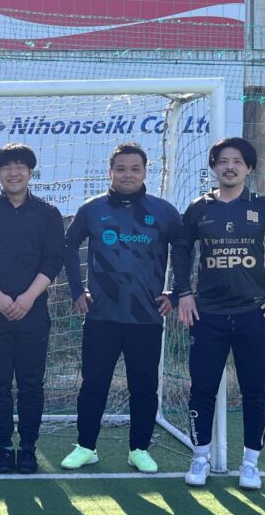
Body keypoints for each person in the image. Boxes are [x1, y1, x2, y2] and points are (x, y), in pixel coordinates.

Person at [172, 137, 265, 490]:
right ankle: (199, 458)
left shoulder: (263, 207)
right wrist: (183, 293)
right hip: (207, 315)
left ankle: (250, 464)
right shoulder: (198, 208)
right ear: (214, 167)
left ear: (249, 167)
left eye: (237, 161)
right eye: (223, 161)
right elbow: (181, 251)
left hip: (253, 315)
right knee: (202, 389)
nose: (229, 167)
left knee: (255, 391)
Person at [60, 143, 183, 474]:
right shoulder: (92, 209)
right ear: (110, 171)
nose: (127, 174)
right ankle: (86, 447)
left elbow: (183, 250)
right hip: (102, 316)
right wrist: (77, 290)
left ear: (145, 172)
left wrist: (176, 293)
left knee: (143, 387)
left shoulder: (163, 211)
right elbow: (68, 247)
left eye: (135, 169)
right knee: (94, 384)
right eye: (121, 169)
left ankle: (139, 449)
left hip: (146, 317)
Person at [0, 143, 65, 473]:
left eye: (20, 166)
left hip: (33, 312)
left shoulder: (48, 214)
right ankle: (4, 448)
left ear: (30, 172)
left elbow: (53, 260)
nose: (13, 172)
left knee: (31, 384)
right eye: (7, 167)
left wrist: (28, 297)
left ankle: (28, 448)